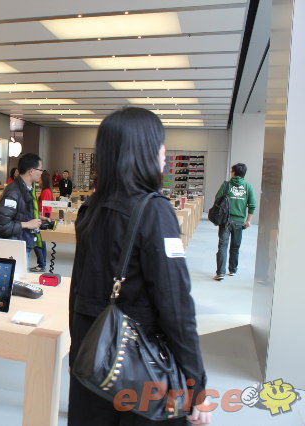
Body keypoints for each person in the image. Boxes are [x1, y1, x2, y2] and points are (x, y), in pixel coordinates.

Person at [68, 107, 210, 426]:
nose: (164, 154)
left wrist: (78, 356)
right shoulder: (154, 210)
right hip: (139, 366)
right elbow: (176, 305)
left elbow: (77, 292)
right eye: (161, 145)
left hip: (95, 360)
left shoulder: (91, 208)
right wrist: (194, 384)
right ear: (144, 150)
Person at [0, 153, 44, 257]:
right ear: (31, 171)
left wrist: (35, 217)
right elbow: (1, 225)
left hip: (17, 245)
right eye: (40, 170)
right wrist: (27, 224)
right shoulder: (13, 192)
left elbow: (18, 212)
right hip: (4, 250)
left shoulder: (27, 188)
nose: (42, 173)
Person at [213, 163, 257, 281]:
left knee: (223, 246)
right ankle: (232, 270)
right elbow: (252, 205)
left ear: (233, 173)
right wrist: (248, 221)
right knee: (235, 247)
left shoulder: (226, 185)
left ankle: (220, 273)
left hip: (225, 221)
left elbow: (217, 198)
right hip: (239, 222)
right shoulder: (248, 186)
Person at [29, 171, 53, 272]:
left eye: (40, 178)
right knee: (41, 243)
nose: (38, 180)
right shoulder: (45, 191)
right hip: (40, 218)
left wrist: (44, 220)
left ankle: (41, 264)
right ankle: (42, 263)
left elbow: (47, 208)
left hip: (40, 220)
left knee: (37, 242)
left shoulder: (46, 192)